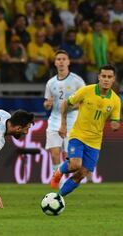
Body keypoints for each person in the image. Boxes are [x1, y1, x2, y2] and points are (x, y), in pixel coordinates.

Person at [51, 64, 121, 196]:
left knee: (82, 173)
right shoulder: (86, 91)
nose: (106, 79)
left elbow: (115, 120)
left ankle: (58, 197)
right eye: (104, 76)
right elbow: (66, 103)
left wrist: (115, 125)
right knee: (75, 165)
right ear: (98, 77)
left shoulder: (116, 101)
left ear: (113, 79)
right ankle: (59, 171)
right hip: (78, 135)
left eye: (109, 77)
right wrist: (63, 124)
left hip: (95, 141)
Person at [43, 50, 85, 173]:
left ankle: (68, 180)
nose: (61, 61)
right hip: (55, 119)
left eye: (63, 59)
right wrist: (47, 104)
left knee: (69, 157)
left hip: (72, 120)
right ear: (55, 63)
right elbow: (47, 104)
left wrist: (70, 106)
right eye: (58, 59)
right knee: (54, 153)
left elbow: (85, 102)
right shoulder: (50, 83)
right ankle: (58, 182)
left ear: (68, 62)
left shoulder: (77, 81)